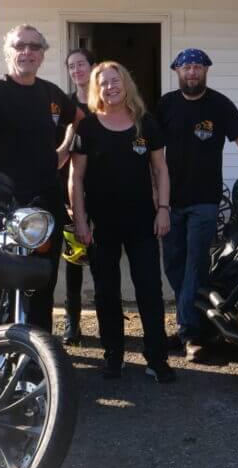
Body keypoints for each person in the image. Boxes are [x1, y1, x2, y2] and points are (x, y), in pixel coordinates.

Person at [0, 25, 74, 336]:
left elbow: (79, 121)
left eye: (35, 47)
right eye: (20, 46)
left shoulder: (52, 94)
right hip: (5, 202)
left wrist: (64, 150)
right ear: (8, 52)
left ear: (42, 54)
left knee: (43, 280)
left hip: (46, 202)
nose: (27, 52)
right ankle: (1, 346)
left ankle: (38, 351)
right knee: (2, 280)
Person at [157, 48, 238, 362]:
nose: (192, 72)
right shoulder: (165, 105)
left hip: (205, 201)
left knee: (195, 264)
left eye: (197, 67)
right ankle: (196, 322)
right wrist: (152, 189)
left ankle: (190, 334)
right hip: (169, 201)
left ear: (206, 70)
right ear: (176, 71)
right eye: (186, 67)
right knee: (174, 265)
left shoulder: (220, 105)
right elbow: (152, 149)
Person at [71, 62, 175, 383]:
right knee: (106, 293)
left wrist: (163, 208)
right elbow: (76, 178)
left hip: (143, 221)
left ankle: (156, 358)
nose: (110, 87)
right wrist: (80, 221)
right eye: (103, 83)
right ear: (96, 89)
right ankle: (113, 356)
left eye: (115, 81)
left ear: (126, 83)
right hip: (102, 224)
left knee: (150, 290)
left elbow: (161, 169)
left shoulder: (145, 123)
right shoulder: (88, 127)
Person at [56, 46, 94, 345]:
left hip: (105, 190)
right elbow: (58, 150)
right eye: (72, 66)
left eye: (81, 64)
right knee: (74, 259)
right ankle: (73, 321)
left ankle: (109, 317)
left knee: (105, 259)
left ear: (92, 67)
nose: (77, 70)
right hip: (71, 190)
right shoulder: (64, 106)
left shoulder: (105, 102)